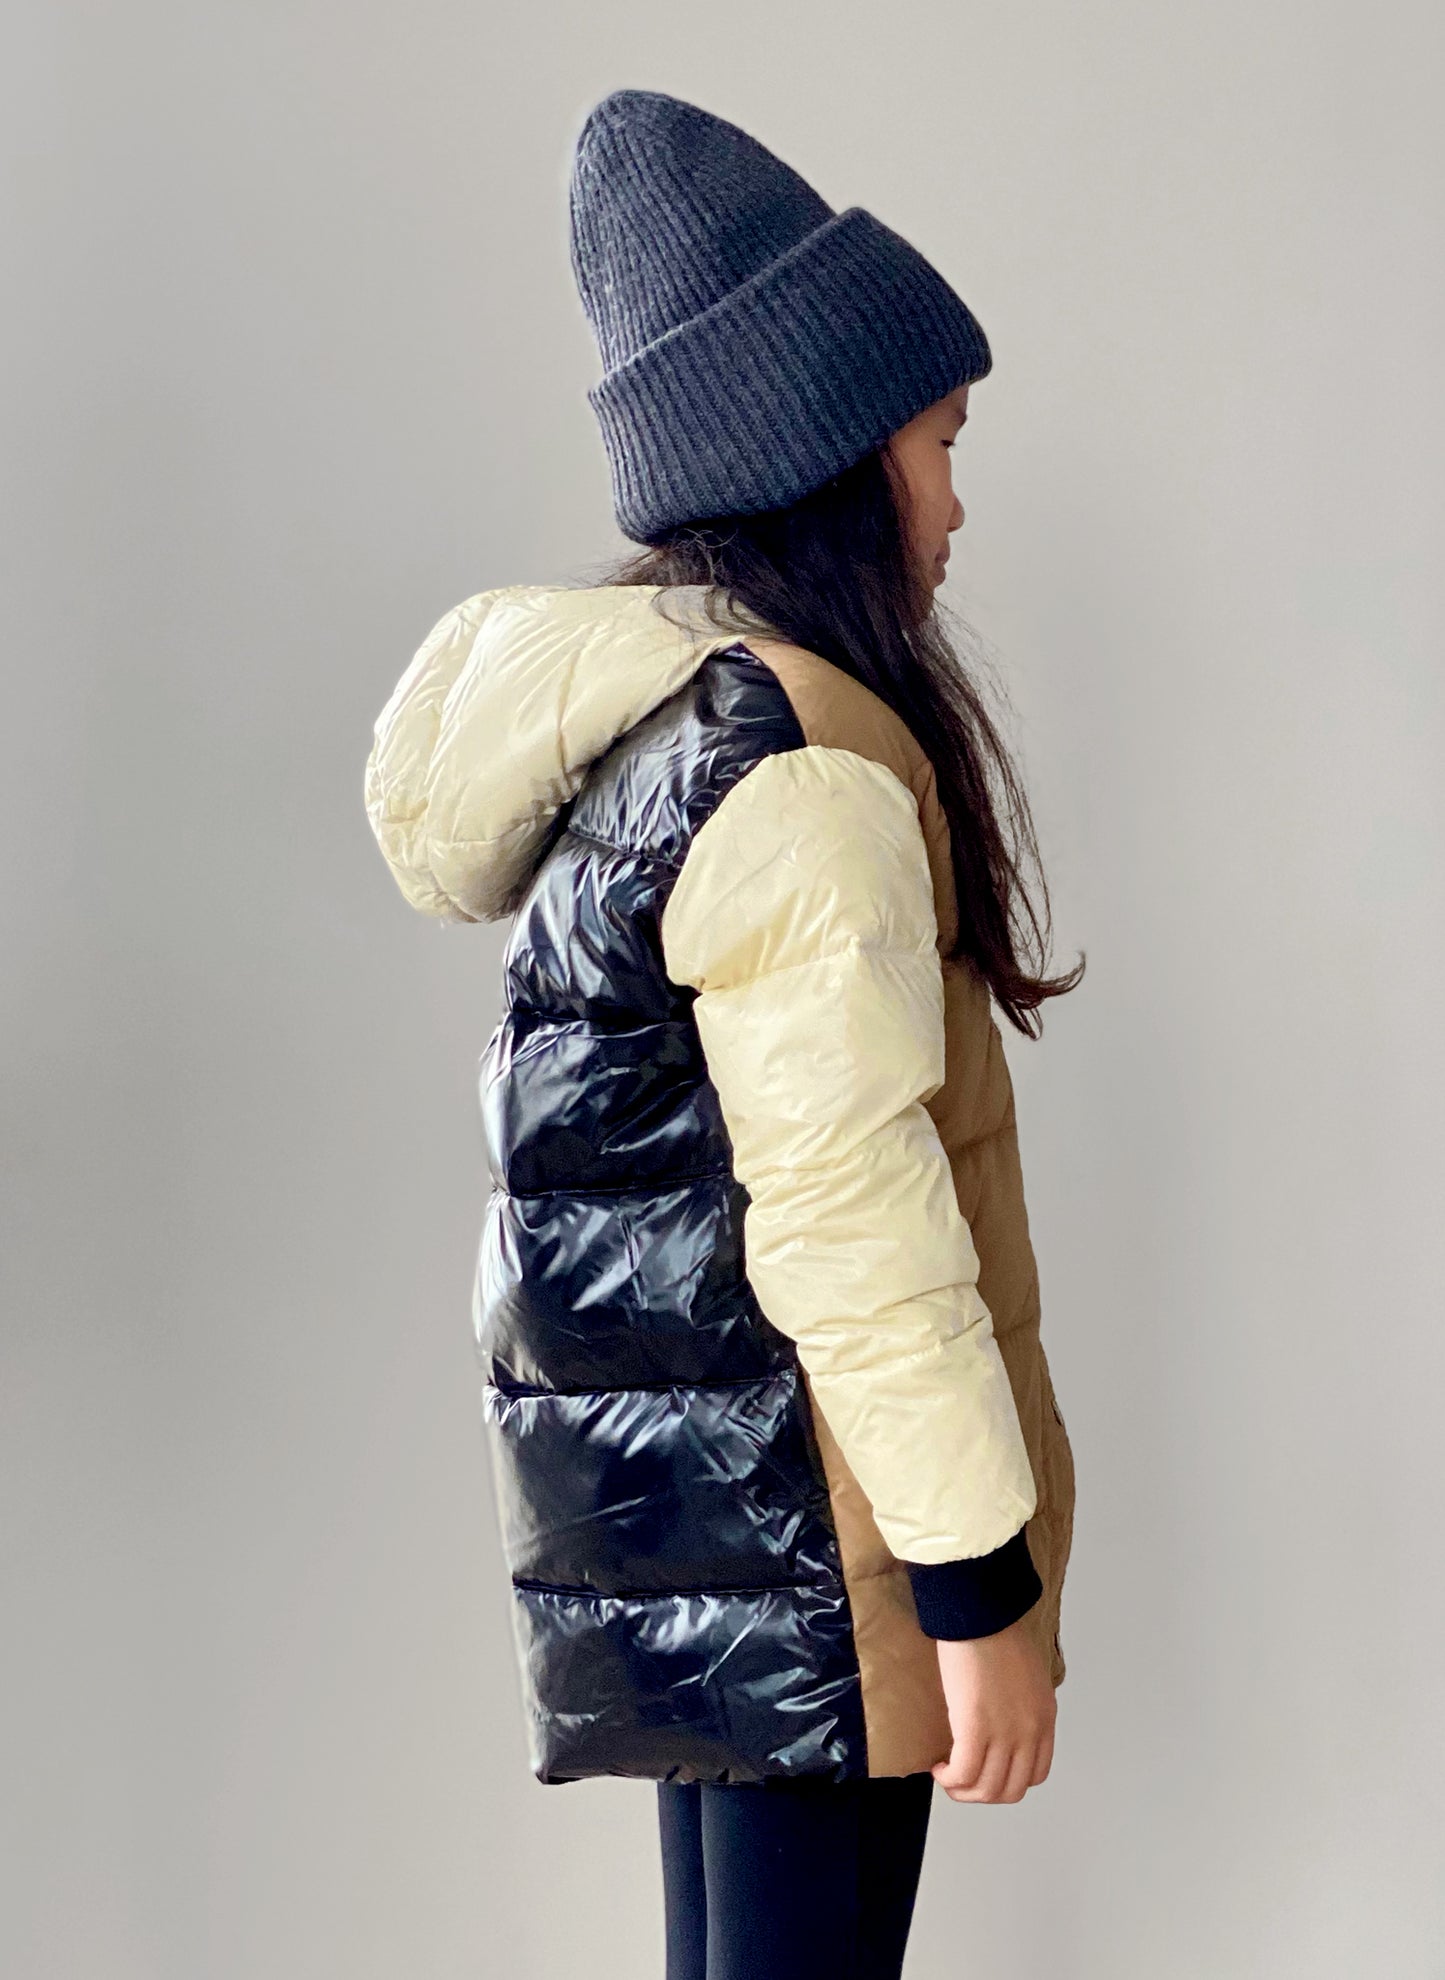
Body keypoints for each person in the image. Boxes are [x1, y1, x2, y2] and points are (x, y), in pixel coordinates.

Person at [364, 87, 1081, 1980]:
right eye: (938, 443)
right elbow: (848, 1213)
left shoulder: (673, 738)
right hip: (816, 1536)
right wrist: (974, 1581)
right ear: (830, 453)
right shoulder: (804, 774)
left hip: (707, 1530)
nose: (954, 501)